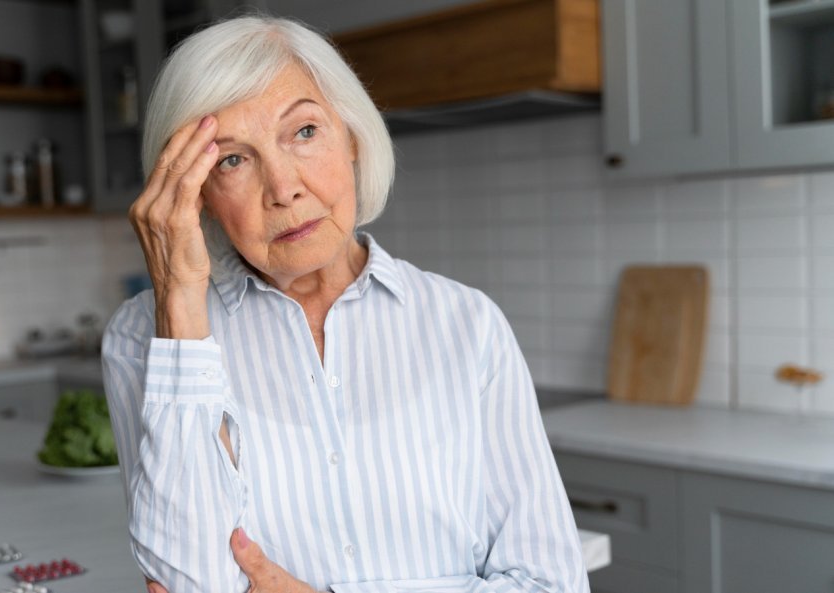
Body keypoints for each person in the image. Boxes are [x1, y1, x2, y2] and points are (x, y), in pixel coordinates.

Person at [102, 14, 589, 593]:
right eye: (232, 159)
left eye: (303, 132)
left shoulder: (467, 324)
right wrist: (179, 302)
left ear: (352, 135)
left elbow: (551, 584)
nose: (283, 188)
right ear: (196, 193)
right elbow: (186, 583)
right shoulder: (145, 338)